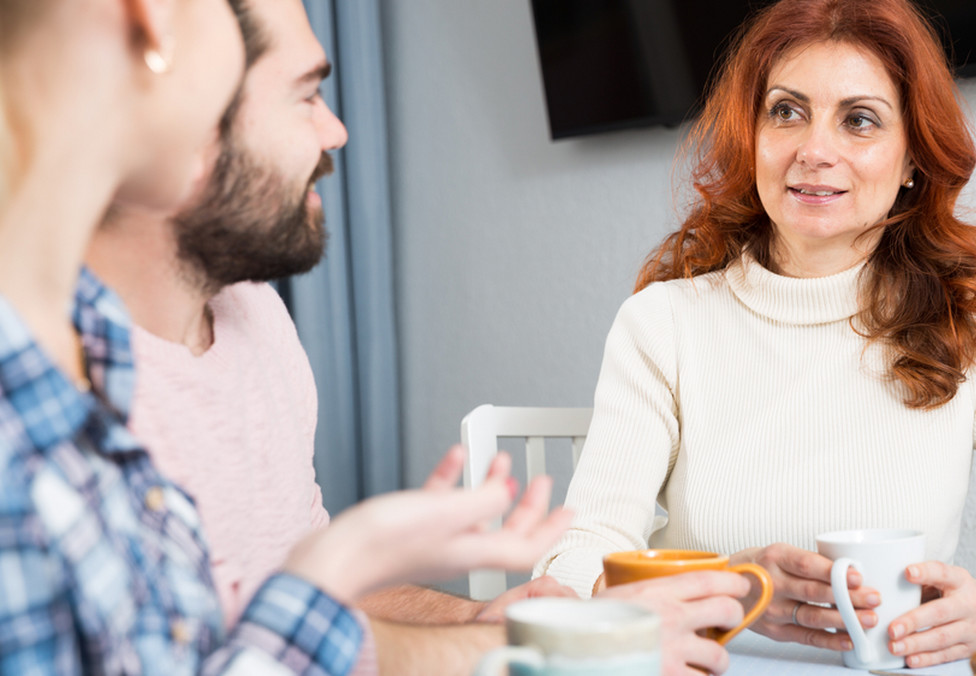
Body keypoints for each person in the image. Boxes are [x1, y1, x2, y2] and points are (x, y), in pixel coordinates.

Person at [83, 1, 753, 674]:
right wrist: (545, 648)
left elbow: (313, 608)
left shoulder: (255, 315)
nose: (337, 130)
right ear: (187, 120)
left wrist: (474, 616)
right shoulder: (58, 388)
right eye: (307, 95)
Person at [534, 0, 976, 669]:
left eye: (859, 120)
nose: (814, 151)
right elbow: (576, 564)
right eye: (786, 111)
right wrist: (731, 591)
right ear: (753, 136)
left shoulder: (968, 312)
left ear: (913, 157)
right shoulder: (663, 324)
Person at [0, 0, 571, 672]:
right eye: (306, 93)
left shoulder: (105, 352)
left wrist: (435, 601)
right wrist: (495, 646)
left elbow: (208, 641)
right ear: (153, 19)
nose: (336, 131)